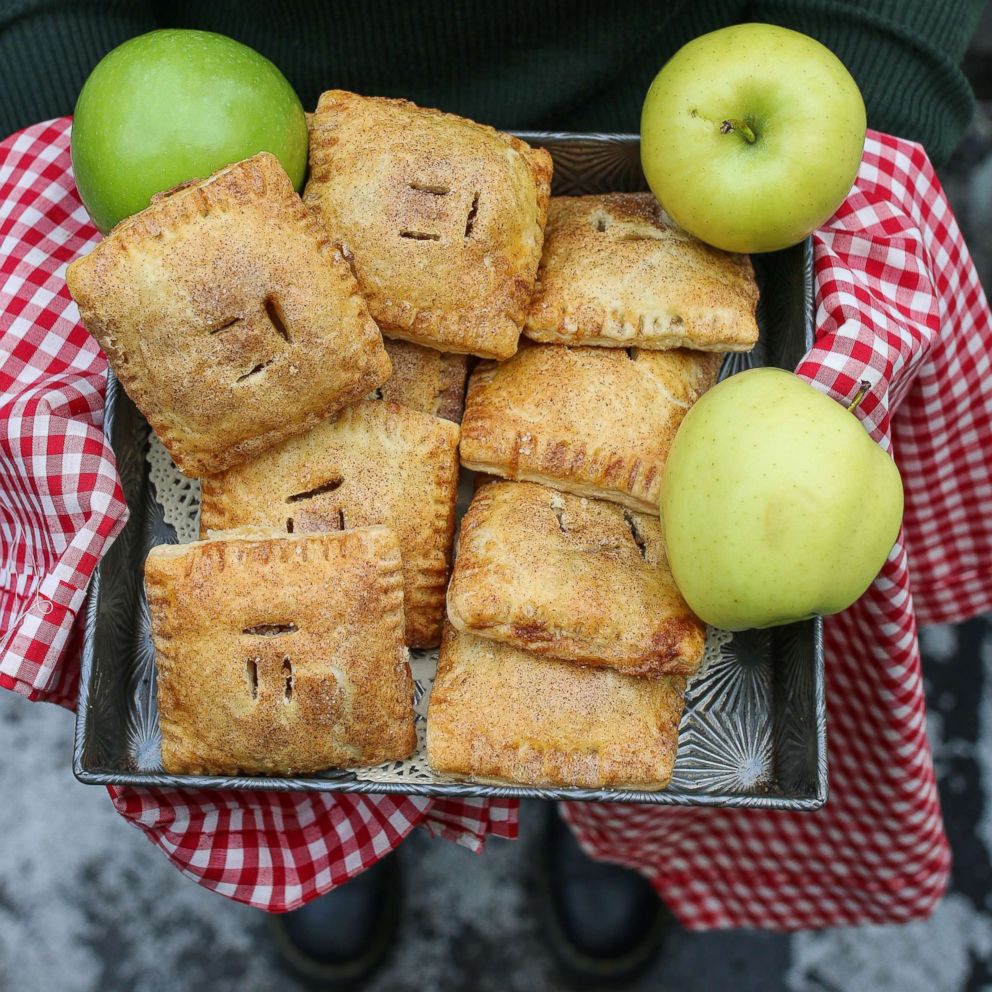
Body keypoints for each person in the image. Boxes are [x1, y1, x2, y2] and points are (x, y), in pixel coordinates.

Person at [0, 1, 986, 987]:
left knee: (643, 702)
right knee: (289, 734)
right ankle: (322, 813)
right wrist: (42, 87)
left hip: (672, 110)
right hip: (210, 115)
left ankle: (613, 825)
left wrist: (871, 80)